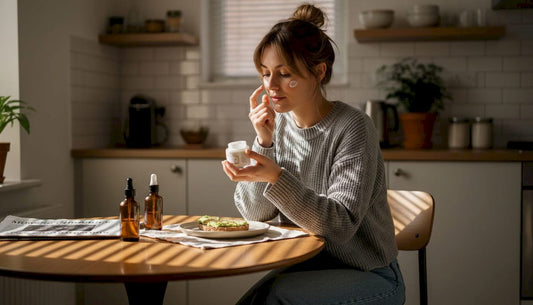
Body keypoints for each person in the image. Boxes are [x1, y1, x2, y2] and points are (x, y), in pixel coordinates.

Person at [221, 3, 405, 305]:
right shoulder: (276, 126)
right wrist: (264, 143)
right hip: (304, 268)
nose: (271, 86)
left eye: (284, 74)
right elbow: (254, 214)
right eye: (265, 74)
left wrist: (275, 176)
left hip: (370, 275)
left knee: (276, 299)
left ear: (318, 72)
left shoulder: (353, 127)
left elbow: (340, 226)